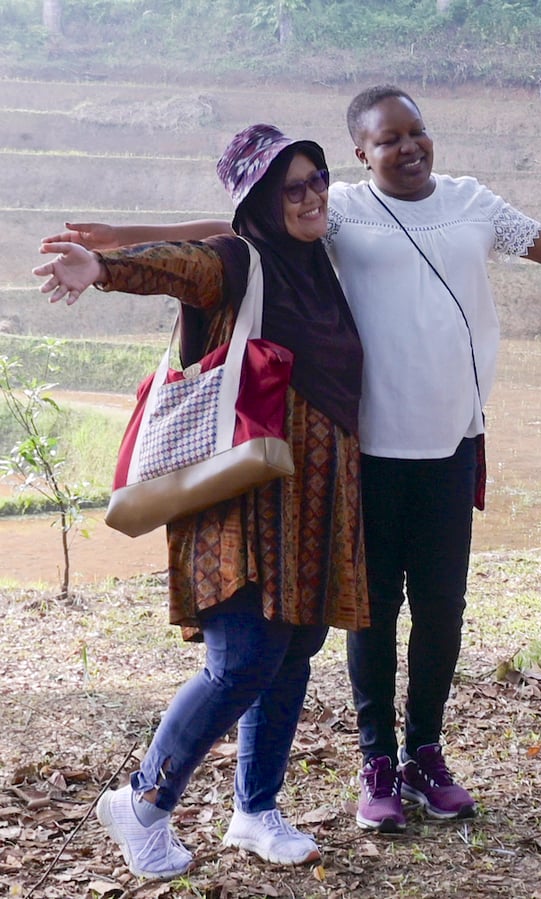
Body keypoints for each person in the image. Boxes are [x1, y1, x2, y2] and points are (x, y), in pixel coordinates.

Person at [42, 85, 541, 836]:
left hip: (438, 445)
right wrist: (114, 248)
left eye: (416, 132)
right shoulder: (335, 213)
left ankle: (395, 762)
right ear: (363, 151)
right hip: (360, 459)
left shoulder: (463, 202)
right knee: (361, 617)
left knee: (416, 617)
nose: (408, 147)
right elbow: (221, 238)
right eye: (388, 139)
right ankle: (368, 763)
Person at [34, 124, 370, 877]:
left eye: (317, 180)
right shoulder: (237, 261)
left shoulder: (317, 268)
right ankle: (144, 802)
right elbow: (181, 264)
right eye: (293, 187)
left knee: (290, 654)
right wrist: (104, 265)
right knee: (242, 657)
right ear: (258, 200)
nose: (313, 195)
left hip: (313, 500)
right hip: (240, 498)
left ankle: (254, 809)